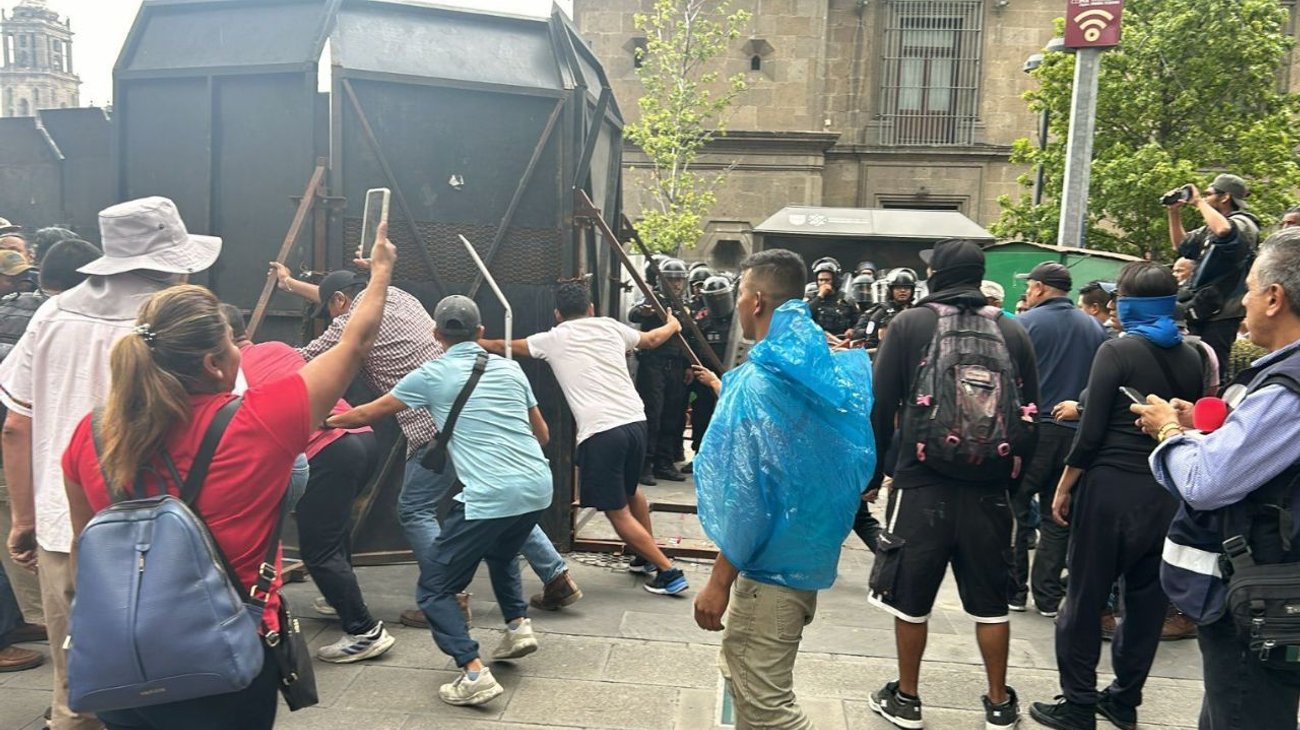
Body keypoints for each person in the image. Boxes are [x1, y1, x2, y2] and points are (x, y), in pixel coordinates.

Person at [62, 225, 393, 729]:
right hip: (223, 661)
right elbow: (355, 342)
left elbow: (85, 550)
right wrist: (383, 271)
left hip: (119, 665)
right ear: (215, 363)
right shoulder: (259, 420)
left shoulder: (91, 433)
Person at [2, 196, 220, 730]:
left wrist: (24, 521)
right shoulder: (184, 318)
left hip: (65, 526)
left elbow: (15, 424)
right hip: (171, 530)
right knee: (175, 681)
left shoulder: (52, 313)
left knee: (77, 684)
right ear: (173, 259)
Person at [268, 264, 582, 625]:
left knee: (415, 508)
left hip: (432, 426)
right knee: (497, 499)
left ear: (340, 302)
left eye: (331, 307)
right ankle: (556, 575)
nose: (331, 315)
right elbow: (342, 295)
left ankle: (448, 595)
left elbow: (300, 359)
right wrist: (291, 285)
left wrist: (256, 356)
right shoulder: (397, 295)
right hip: (469, 417)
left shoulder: (346, 326)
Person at [327, 295, 553, 706]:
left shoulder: (430, 374)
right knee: (503, 556)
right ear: (481, 333)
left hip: (489, 494)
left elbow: (367, 414)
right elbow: (543, 435)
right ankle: (518, 627)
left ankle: (472, 672)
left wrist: (322, 419)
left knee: (434, 591)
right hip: (538, 486)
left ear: (436, 335)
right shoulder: (510, 369)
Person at [690, 248, 875, 729]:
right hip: (803, 563)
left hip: (767, 575)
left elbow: (749, 498)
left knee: (766, 706)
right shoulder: (824, 370)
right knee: (757, 691)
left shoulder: (759, 383)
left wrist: (717, 582)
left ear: (753, 302)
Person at [867, 239, 1040, 730]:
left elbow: (881, 407)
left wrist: (875, 475)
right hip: (990, 488)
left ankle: (906, 697)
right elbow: (1031, 415)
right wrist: (1015, 484)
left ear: (937, 276)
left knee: (911, 599)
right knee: (991, 606)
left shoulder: (909, 325)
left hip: (921, 483)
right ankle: (999, 702)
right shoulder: (1012, 330)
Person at [1029, 262, 1207, 730]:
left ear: (1127, 305)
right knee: (1147, 604)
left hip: (1109, 490)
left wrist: (1064, 487)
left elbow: (1087, 436)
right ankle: (1124, 700)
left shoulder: (1116, 351)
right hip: (1166, 492)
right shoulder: (1193, 357)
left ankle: (1079, 703)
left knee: (1084, 597)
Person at [1136, 228, 1300, 729]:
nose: (1242, 301)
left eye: (1249, 288)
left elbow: (1207, 481)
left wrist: (1167, 430)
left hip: (1261, 594)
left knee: (1244, 711)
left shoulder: (1288, 388)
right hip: (1273, 588)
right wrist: (1206, 428)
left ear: (1274, 297)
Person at [481, 281, 690, 596]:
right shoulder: (610, 327)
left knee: (616, 511)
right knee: (632, 492)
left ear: (557, 314)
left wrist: (474, 340)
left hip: (602, 432)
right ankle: (645, 559)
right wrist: (673, 324)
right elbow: (651, 339)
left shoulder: (553, 338)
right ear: (591, 308)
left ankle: (668, 571)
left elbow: (504, 345)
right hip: (635, 422)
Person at [218, 304, 393, 664]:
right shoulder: (280, 349)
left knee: (319, 549)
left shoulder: (232, 374)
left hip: (325, 450)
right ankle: (339, 599)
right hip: (361, 438)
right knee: (334, 528)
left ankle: (364, 631)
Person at [1008, 263, 1106, 617]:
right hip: (1075, 434)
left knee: (1014, 511)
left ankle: (1013, 591)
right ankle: (1048, 597)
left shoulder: (1023, 325)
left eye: (1031, 287)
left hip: (1032, 431)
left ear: (1038, 288)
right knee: (1057, 513)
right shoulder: (1096, 328)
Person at [1166, 174, 1260, 382]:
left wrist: (1197, 201)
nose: (1204, 199)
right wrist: (1174, 212)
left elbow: (1225, 230)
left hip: (1223, 313)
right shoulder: (1209, 228)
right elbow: (1181, 246)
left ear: (1225, 197)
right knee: (1193, 369)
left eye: (1208, 194)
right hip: (1202, 308)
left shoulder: (1244, 223)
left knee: (1212, 372)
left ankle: (1210, 410)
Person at [629, 258, 693, 484]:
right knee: (652, 414)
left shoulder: (687, 304)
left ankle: (664, 463)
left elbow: (691, 337)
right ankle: (645, 464)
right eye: (671, 280)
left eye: (679, 279)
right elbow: (634, 313)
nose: (676, 284)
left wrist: (688, 366)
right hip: (654, 364)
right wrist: (645, 312)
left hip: (677, 364)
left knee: (673, 415)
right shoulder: (654, 299)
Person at [0, 239, 98, 361]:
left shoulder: (9, 305)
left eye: (24, 277)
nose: (22, 284)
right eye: (11, 280)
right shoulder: (69, 321)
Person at [853, 269, 916, 350]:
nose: (902, 291)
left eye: (907, 288)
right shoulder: (882, 312)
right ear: (891, 291)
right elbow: (870, 340)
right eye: (898, 288)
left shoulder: (916, 310)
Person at [806, 258, 856, 337]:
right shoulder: (812, 298)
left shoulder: (846, 299)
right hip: (817, 340)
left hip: (841, 340)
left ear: (835, 280)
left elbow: (858, 321)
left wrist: (853, 329)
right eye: (821, 280)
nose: (823, 283)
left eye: (827, 280)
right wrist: (820, 296)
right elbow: (804, 315)